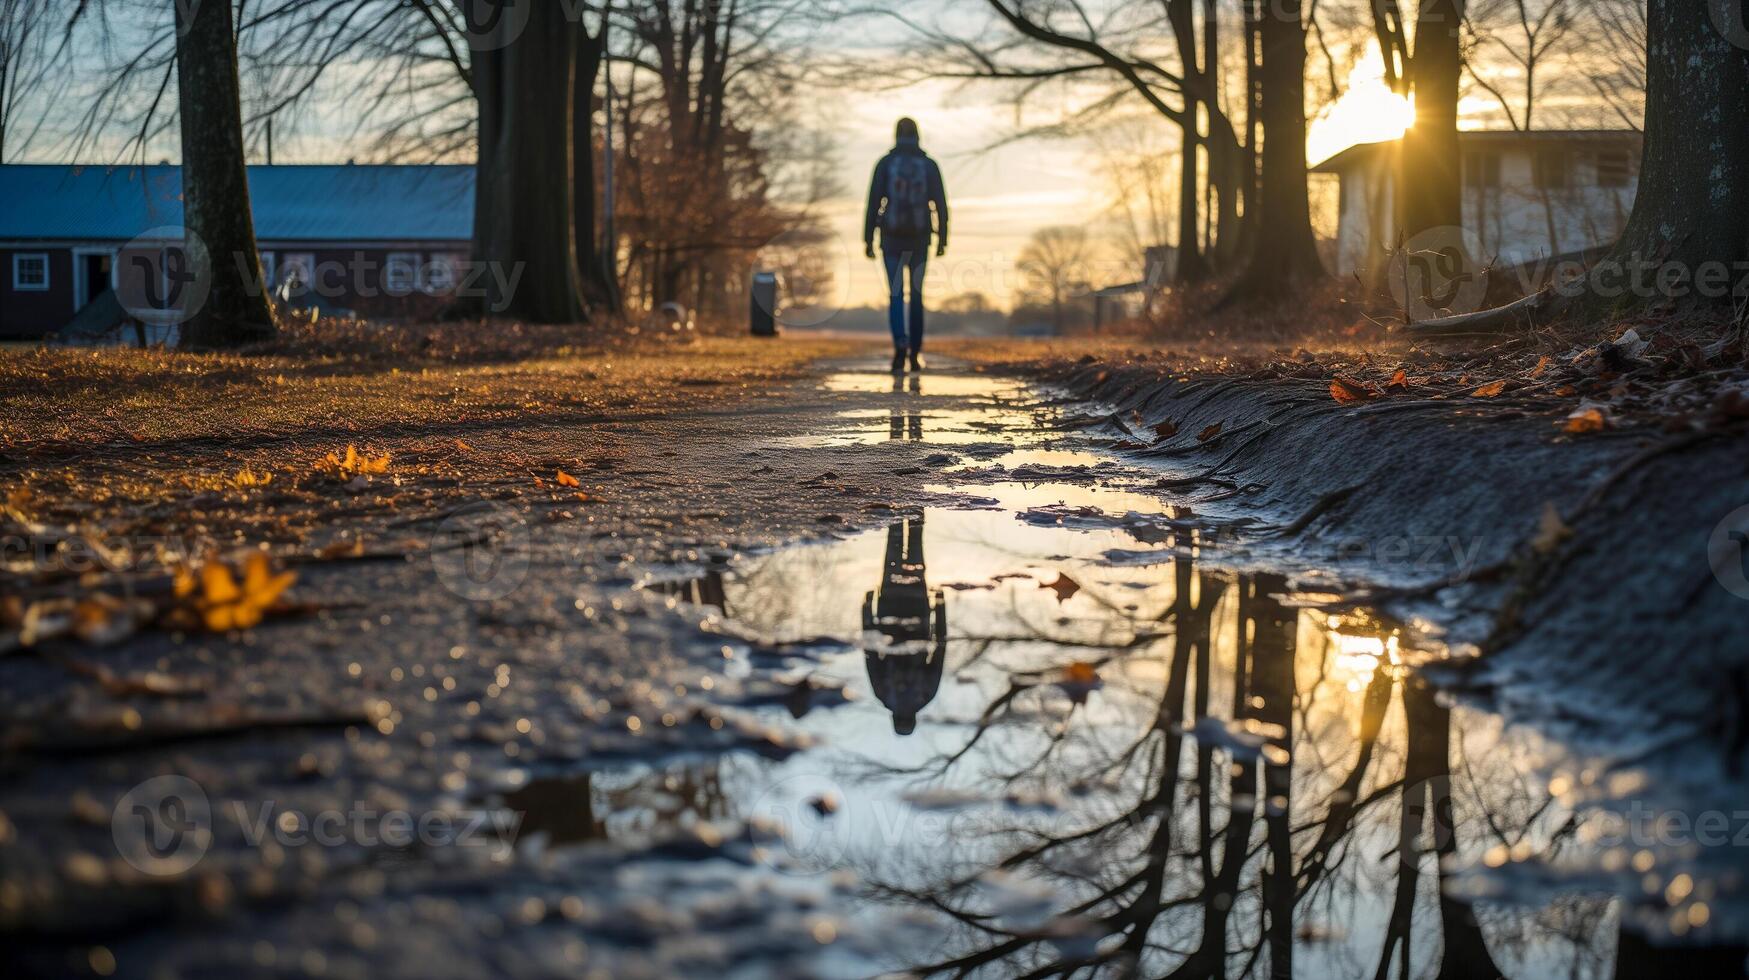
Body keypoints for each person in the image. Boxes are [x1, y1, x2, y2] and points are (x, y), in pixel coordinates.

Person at [864, 117, 949, 374]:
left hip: (890, 239)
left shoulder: (886, 163)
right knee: (917, 296)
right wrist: (943, 237)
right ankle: (915, 353)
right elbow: (940, 205)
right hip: (920, 238)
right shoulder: (929, 164)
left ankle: (899, 348)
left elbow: (873, 204)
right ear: (918, 135)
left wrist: (867, 239)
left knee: (896, 294)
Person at [861, 516, 947, 735]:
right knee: (894, 544)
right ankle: (896, 500)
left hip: (918, 610)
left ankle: (915, 498)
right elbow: (870, 652)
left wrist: (939, 607)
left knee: (916, 544)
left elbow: (940, 649)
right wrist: (867, 611)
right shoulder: (883, 694)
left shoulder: (925, 695)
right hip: (887, 609)